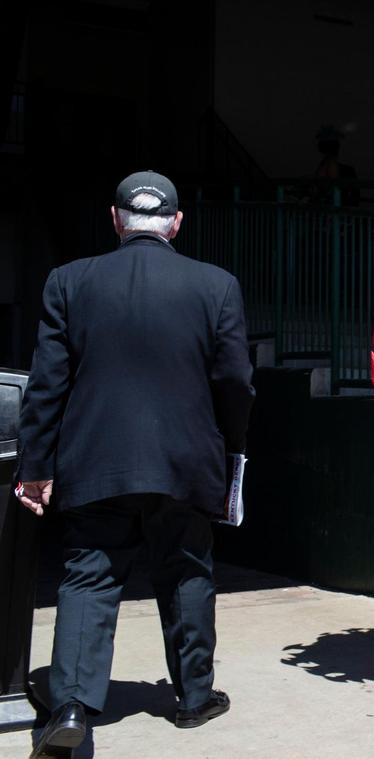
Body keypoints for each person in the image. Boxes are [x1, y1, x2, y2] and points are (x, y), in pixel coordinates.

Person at [15, 171, 255, 756]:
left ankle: (71, 704)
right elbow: (235, 383)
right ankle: (195, 697)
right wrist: (232, 453)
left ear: (116, 219)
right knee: (187, 573)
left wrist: (35, 465)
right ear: (176, 223)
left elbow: (47, 384)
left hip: (95, 461)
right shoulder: (216, 285)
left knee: (88, 578)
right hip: (185, 462)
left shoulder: (69, 281)